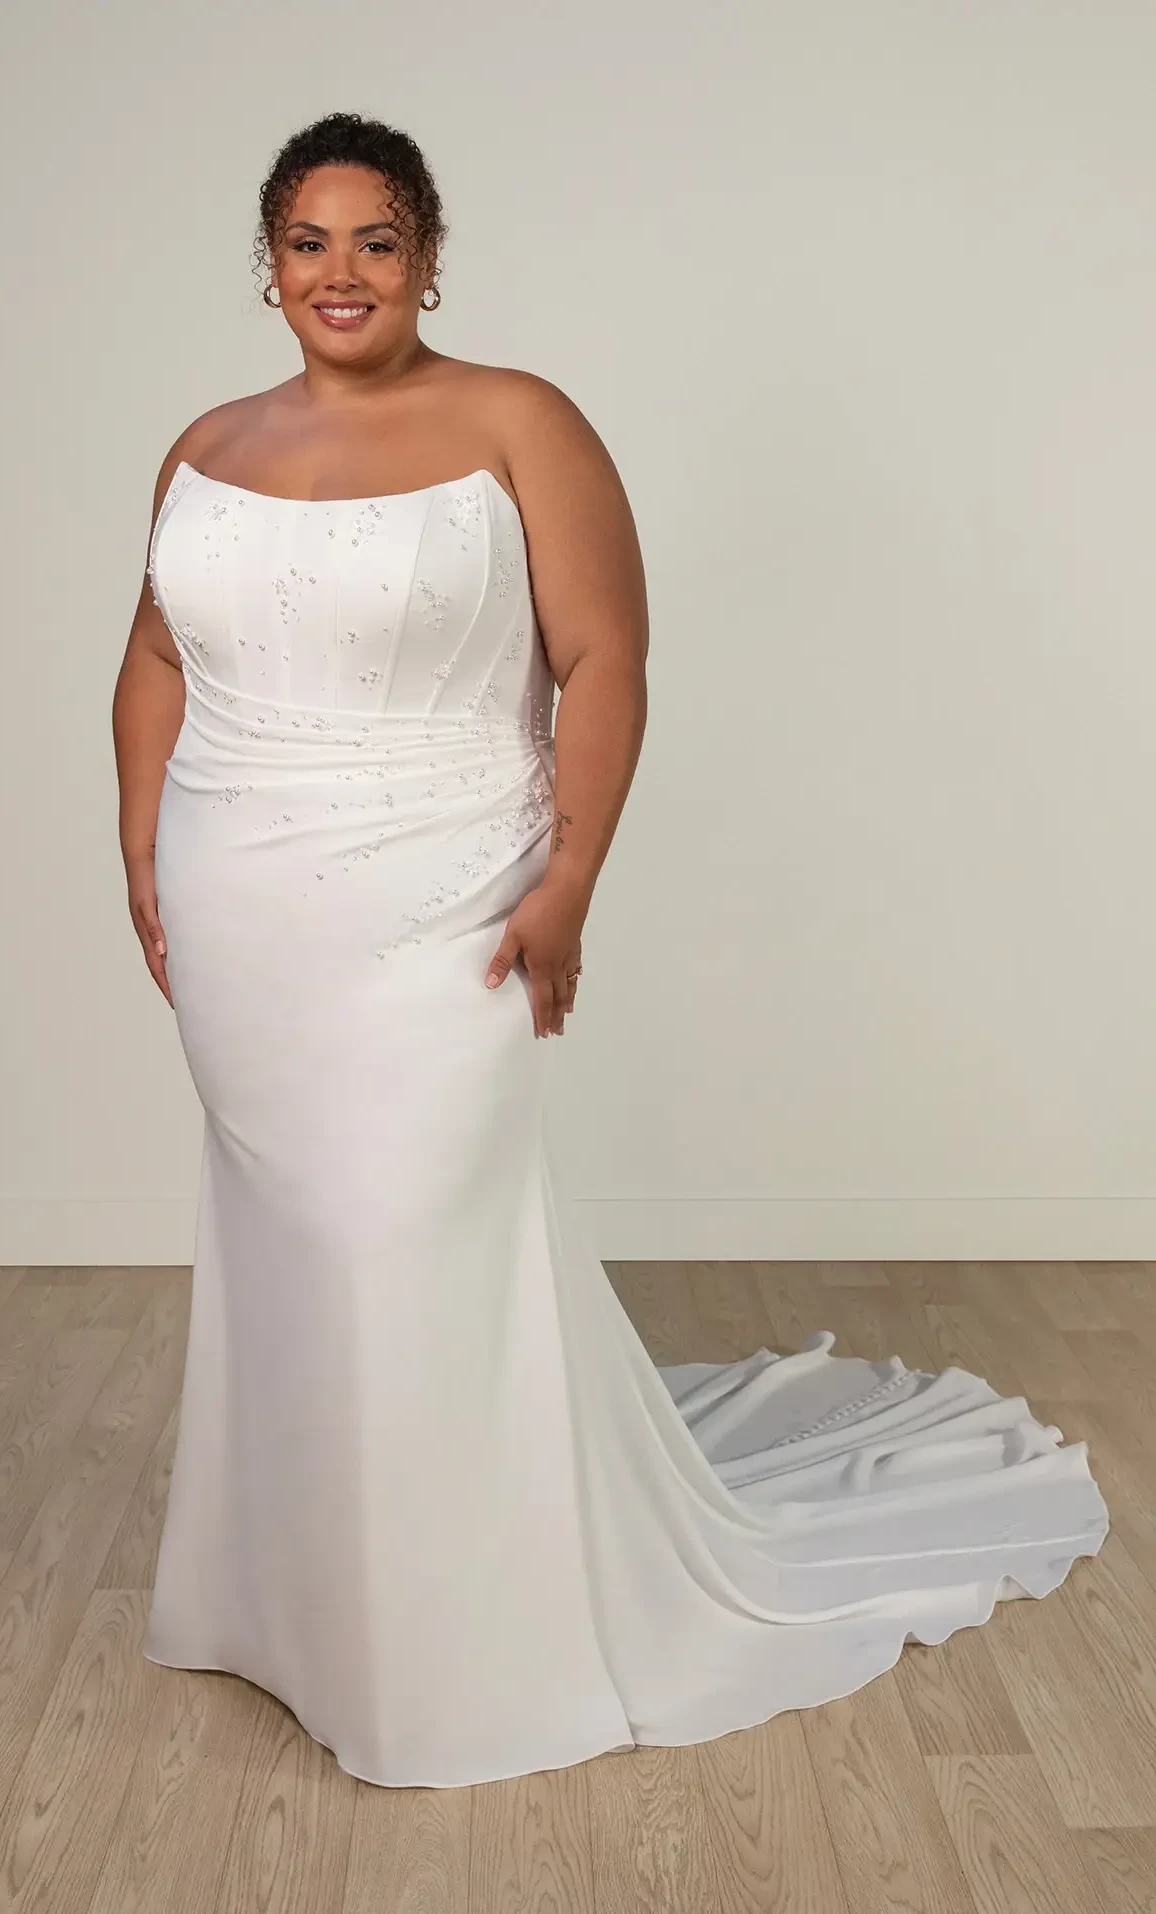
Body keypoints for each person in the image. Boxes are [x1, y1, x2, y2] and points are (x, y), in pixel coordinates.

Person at [113, 110, 1110, 1792]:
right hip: (238, 903)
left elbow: (609, 658)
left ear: (429, 252)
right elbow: (153, 652)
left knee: (403, 1237)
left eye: (377, 239)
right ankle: (291, 1607)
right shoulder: (205, 442)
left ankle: (452, 1639)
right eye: (309, 241)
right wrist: (139, 849)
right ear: (267, 264)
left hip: (441, 886)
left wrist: (569, 878)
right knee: (294, 1247)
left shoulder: (520, 421)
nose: (341, 272)